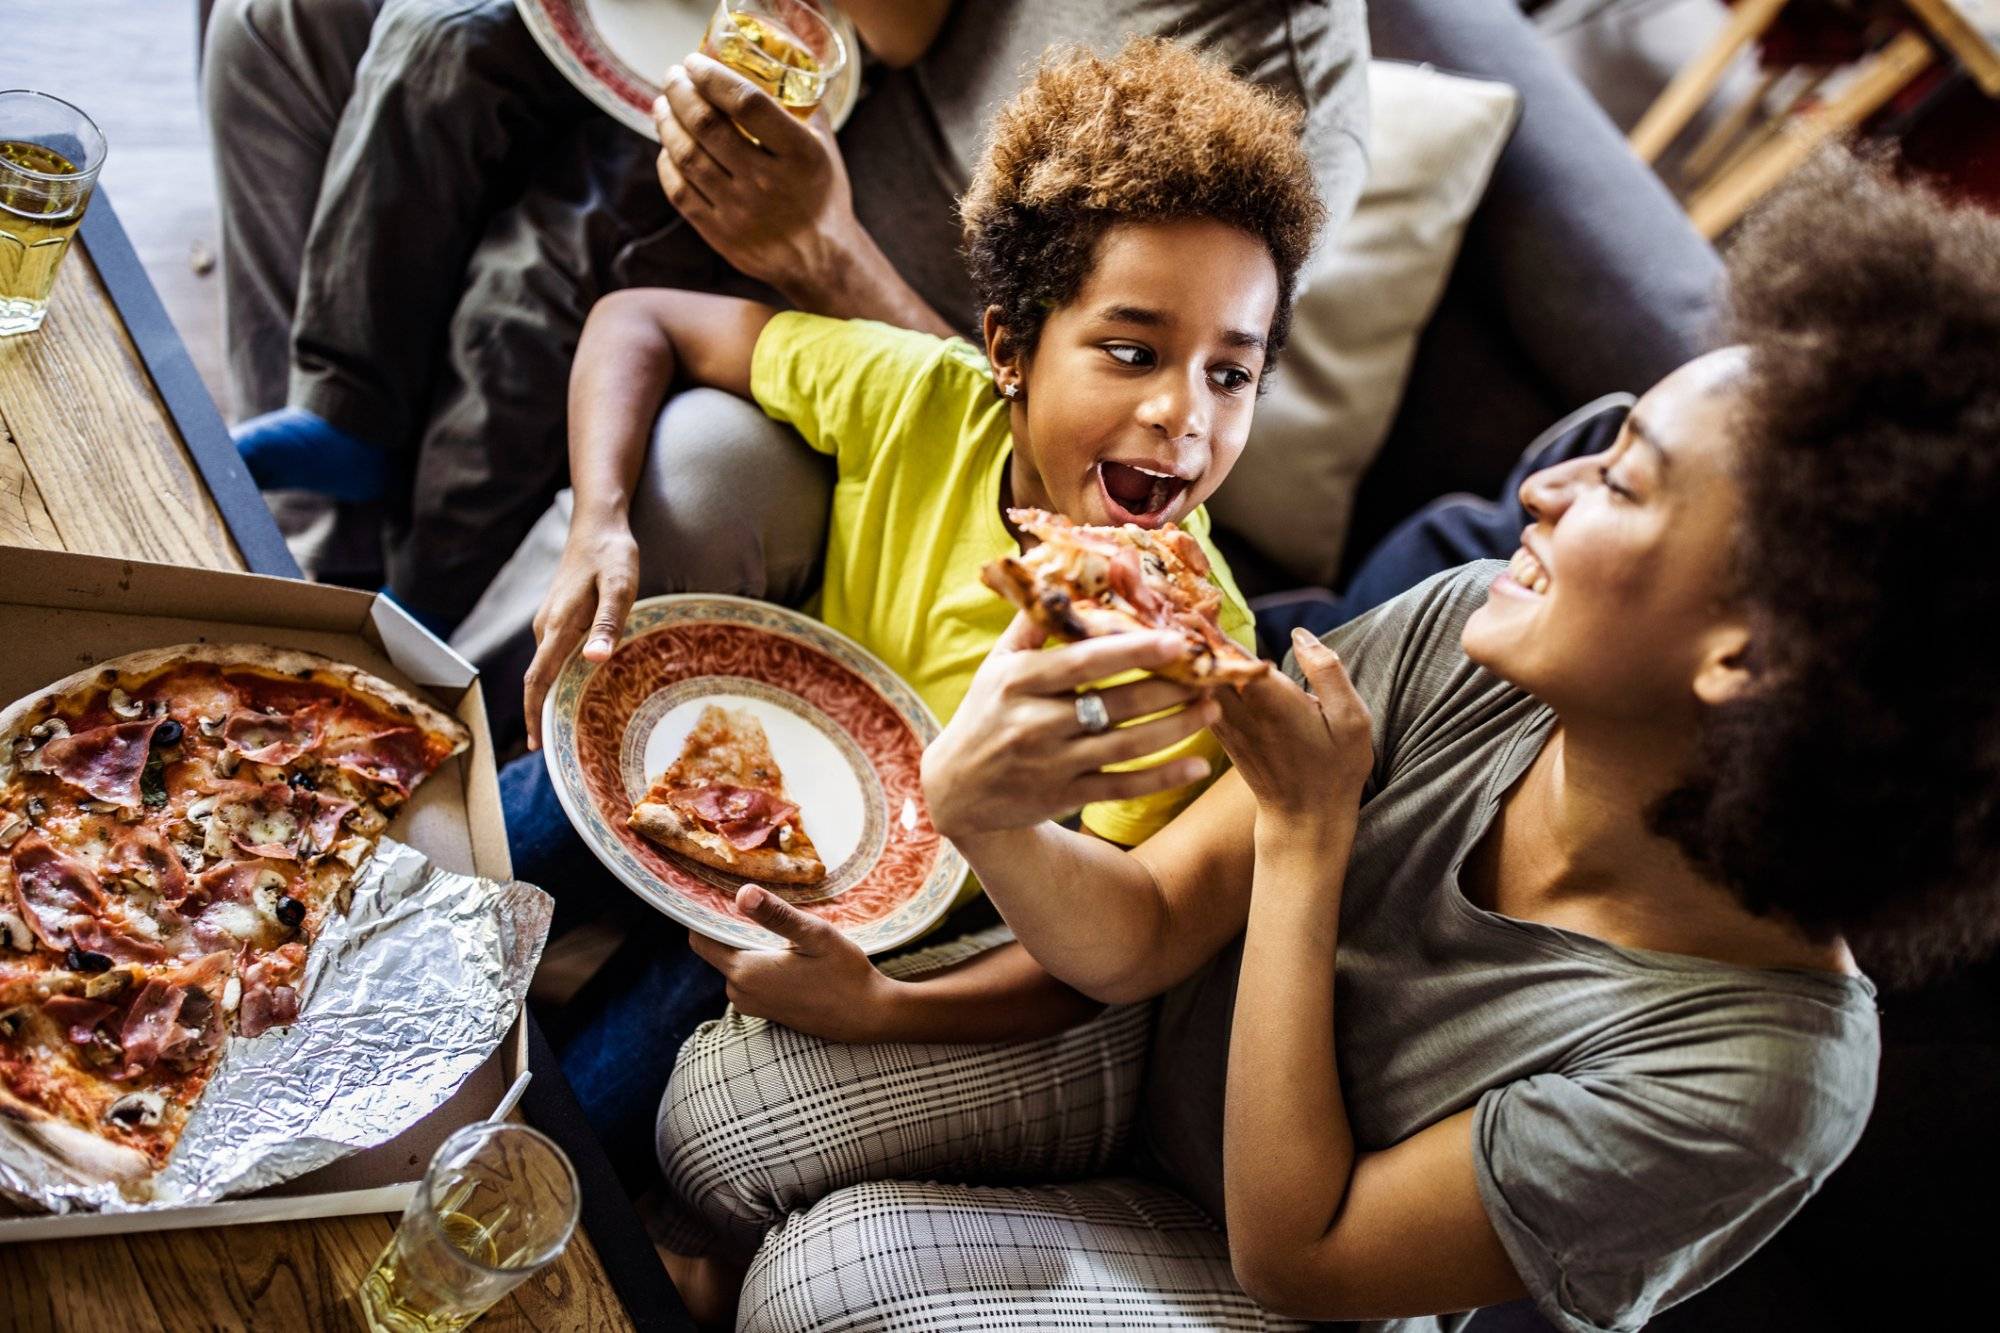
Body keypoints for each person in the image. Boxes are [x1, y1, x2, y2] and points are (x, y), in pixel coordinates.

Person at [652, 150, 2000, 1330]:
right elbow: (1149, 928)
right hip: (1151, 1040)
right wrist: (984, 808)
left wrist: (1310, 833)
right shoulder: (1477, 624)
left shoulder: (1760, 1079)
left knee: (824, 1286)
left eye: (1624, 478)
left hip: (1270, 1275)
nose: (1542, 486)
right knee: (710, 1112)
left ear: (1750, 653)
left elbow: (1301, 1254)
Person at [514, 34, 1341, 1194]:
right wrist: (598, 527)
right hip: (729, 742)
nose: (1179, 414)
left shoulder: (1188, 654)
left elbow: (1086, 961)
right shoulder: (922, 396)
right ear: (1007, 348)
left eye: (1228, 372)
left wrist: (881, 1007)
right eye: (1128, 349)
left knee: (565, 1135)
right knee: (450, 864)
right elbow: (639, 320)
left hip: (854, 928)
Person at [202, 0, 1367, 631]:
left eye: (1226, 382)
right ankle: (319, 508)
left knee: (553, 267)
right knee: (306, 23)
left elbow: (1036, 386)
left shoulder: (1255, 103)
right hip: (760, 82)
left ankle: (403, 624)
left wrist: (818, 250)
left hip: (868, 275)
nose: (1191, 411)